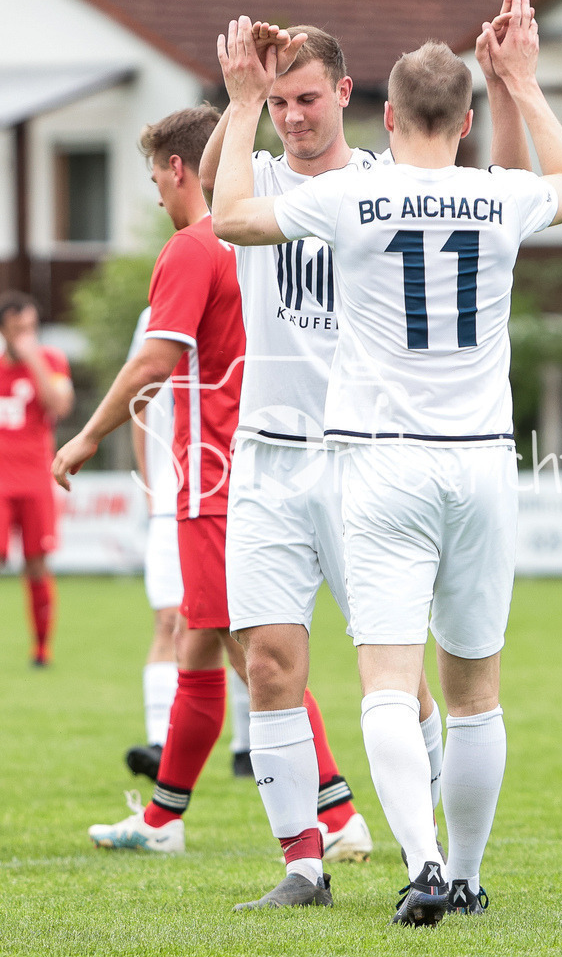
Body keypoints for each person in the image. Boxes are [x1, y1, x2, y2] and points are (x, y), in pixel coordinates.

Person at [210, 0, 562, 925]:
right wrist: (523, 83)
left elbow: (228, 219)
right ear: (463, 120)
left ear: (378, 113)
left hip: (376, 461)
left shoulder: (353, 192)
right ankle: (459, 873)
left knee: (387, 681)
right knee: (474, 689)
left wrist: (239, 94)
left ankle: (421, 860)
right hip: (479, 461)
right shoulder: (497, 193)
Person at [53, 104, 364, 859]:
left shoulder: (195, 248)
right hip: (262, 467)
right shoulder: (258, 237)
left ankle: (337, 811)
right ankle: (163, 821)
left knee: (254, 653)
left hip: (217, 479)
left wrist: (88, 436)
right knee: (201, 646)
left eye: (156, 176)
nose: (156, 194)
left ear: (178, 169)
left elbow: (155, 363)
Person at [124, 306, 253, 782]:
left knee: (236, 625)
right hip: (173, 497)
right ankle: (161, 744)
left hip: (229, 493)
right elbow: (142, 396)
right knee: (170, 621)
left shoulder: (250, 296)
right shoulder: (155, 315)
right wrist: (152, 484)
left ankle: (250, 746)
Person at [0, 291, 74, 666]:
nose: (26, 335)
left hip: (34, 479)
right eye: (17, 330)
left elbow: (60, 405)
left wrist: (33, 360)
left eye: (30, 327)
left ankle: (41, 649)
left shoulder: (51, 360)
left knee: (36, 564)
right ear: (4, 331)